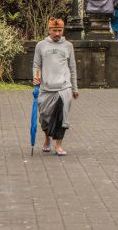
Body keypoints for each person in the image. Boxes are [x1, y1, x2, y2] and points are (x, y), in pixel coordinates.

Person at [33, 18, 79, 156]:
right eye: (55, 30)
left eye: (60, 30)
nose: (57, 33)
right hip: (46, 88)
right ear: (49, 30)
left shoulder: (68, 46)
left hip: (64, 88)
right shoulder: (41, 45)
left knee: (61, 118)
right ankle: (47, 139)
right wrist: (36, 78)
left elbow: (72, 68)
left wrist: (75, 88)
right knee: (45, 118)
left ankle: (58, 145)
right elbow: (36, 65)